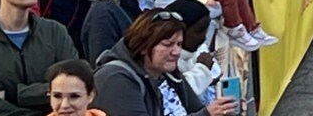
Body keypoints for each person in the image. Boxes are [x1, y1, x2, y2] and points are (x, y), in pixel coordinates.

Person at [92, 10, 235, 116]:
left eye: (179, 44)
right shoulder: (115, 78)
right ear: (143, 46)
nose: (176, 52)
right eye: (168, 44)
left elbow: (195, 108)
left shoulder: (168, 72)